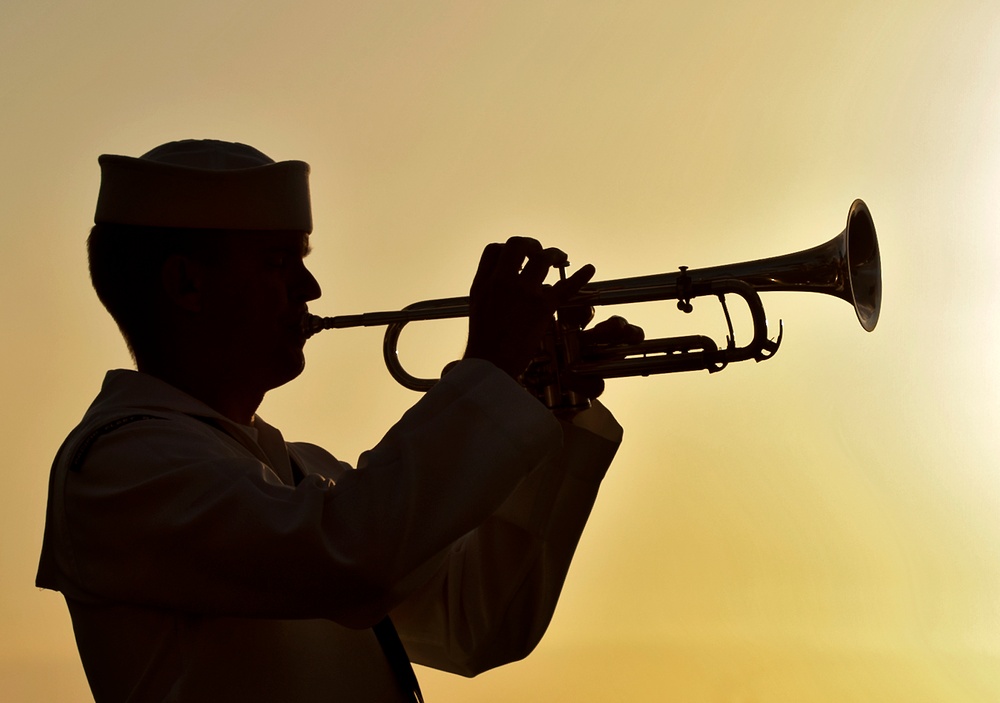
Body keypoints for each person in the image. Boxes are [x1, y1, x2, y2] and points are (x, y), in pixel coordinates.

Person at [36, 139, 641, 703]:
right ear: (187, 283)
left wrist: (545, 406)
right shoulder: (119, 467)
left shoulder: (302, 471)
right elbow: (353, 555)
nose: (312, 286)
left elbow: (475, 623)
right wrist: (487, 371)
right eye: (280, 261)